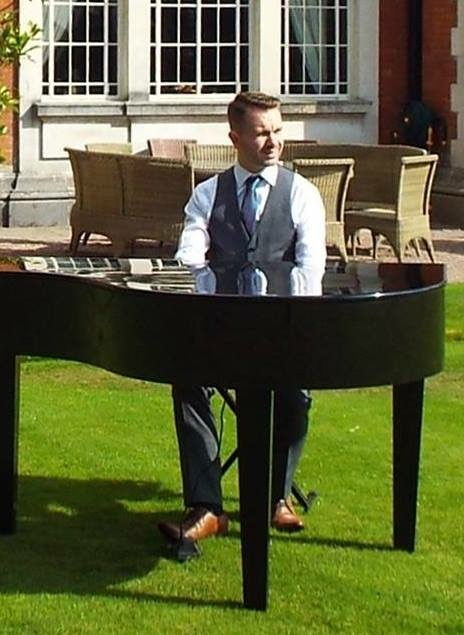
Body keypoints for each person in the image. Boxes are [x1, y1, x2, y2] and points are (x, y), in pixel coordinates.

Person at [158, 91, 327, 546]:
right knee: (187, 381)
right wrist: (206, 275)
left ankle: (275, 498)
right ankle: (207, 506)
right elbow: (189, 258)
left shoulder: (303, 195)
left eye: (277, 131)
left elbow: (311, 270)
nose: (272, 142)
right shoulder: (207, 194)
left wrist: (298, 327)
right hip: (221, 331)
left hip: (281, 330)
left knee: (297, 395)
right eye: (260, 133)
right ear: (235, 138)